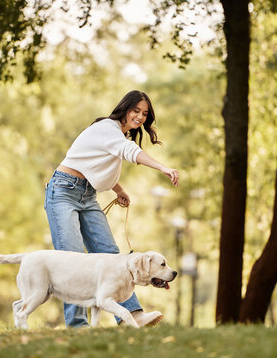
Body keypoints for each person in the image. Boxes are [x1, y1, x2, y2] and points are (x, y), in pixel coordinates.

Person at [44, 90, 179, 328]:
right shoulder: (108, 128)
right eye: (136, 110)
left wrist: (118, 190)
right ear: (125, 109)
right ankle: (77, 325)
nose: (140, 117)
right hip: (63, 191)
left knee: (110, 251)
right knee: (72, 260)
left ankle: (131, 316)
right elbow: (130, 153)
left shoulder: (118, 136)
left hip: (87, 195)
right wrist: (163, 168)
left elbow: (95, 164)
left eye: (145, 114)